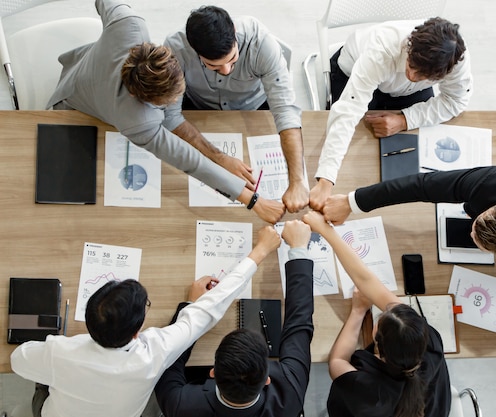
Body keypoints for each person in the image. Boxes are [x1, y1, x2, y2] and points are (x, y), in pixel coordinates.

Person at [46, 0, 284, 223]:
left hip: (86, 67)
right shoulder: (139, 123)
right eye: (165, 104)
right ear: (138, 98)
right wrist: (254, 201)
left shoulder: (129, 23)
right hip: (73, 107)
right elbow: (190, 162)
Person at [10, 226, 282, 417]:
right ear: (136, 332)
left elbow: (18, 361)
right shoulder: (155, 350)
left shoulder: (61, 351)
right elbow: (211, 308)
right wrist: (260, 251)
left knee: (42, 382)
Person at [321, 166, 496, 337]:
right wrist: (352, 202)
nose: (470, 233)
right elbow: (424, 185)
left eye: (476, 239)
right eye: (477, 224)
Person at [309, 17, 472, 210]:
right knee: (352, 149)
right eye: (412, 66)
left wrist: (405, 120)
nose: (412, 76)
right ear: (410, 46)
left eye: (423, 76)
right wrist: (326, 178)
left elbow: (455, 101)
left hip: (407, 94)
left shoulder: (454, 61)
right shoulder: (381, 48)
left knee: (406, 161)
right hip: (354, 73)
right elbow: (348, 111)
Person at [154, 220, 314, 417]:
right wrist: (298, 249)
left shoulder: (180, 404)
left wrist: (193, 306)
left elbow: (169, 356)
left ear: (212, 372)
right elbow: (299, 323)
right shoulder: (290, 393)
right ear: (267, 380)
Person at [302, 211, 450, 417]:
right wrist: (327, 231)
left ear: (376, 341)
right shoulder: (430, 344)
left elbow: (337, 362)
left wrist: (357, 311)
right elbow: (367, 282)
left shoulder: (368, 388)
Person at [163, 6, 308, 213]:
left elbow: (285, 110)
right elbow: (170, 117)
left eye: (232, 59)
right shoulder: (174, 49)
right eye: (214, 66)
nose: (227, 70)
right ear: (195, 50)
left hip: (255, 106)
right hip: (199, 109)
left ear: (233, 32)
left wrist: (297, 182)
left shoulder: (261, 43)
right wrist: (220, 159)